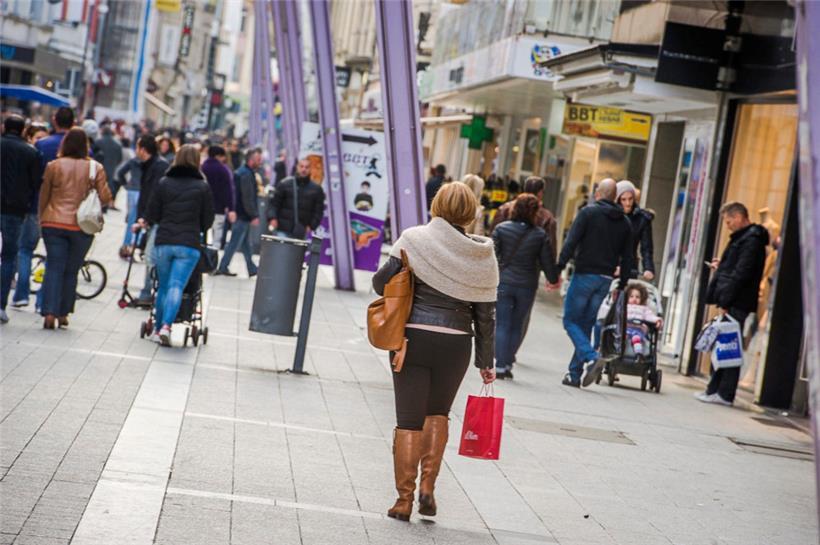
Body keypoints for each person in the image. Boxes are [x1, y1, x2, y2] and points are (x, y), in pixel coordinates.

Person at [372, 181, 497, 521]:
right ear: (470, 213)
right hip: (456, 344)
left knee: (408, 420)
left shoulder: (414, 239)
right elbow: (486, 316)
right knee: (437, 414)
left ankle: (404, 500)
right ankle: (428, 486)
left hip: (414, 340)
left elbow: (380, 283)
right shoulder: (483, 254)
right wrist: (487, 362)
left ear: (436, 205)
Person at [557, 178, 633, 388]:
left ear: (598, 194)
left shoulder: (588, 213)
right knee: (586, 324)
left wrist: (558, 268)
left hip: (584, 275)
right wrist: (623, 282)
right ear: (615, 197)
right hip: (605, 279)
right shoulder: (625, 222)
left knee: (570, 321)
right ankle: (574, 375)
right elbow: (628, 256)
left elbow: (571, 242)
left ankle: (591, 356)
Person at [38, 128, 112, 329]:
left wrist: (41, 217)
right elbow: (106, 197)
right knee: (71, 270)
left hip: (53, 222)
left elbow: (44, 194)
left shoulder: (53, 166)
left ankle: (49, 314)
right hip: (82, 225)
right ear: (85, 146)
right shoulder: (95, 168)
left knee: (53, 267)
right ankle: (63, 313)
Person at [696, 202, 768, 406]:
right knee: (725, 344)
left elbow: (742, 273)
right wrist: (723, 267)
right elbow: (736, 269)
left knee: (729, 346)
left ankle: (724, 393)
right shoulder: (746, 239)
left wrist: (726, 298)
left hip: (737, 300)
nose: (727, 225)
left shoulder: (751, 240)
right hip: (734, 298)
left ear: (738, 217)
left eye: (728, 221)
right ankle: (715, 389)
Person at [143, 145, 214, 346]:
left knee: (163, 287)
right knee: (177, 285)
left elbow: (152, 213)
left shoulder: (164, 183)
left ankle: (157, 330)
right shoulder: (202, 187)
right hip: (188, 244)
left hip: (164, 242)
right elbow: (207, 221)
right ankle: (167, 325)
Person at [12, 108, 75, 310]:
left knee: (25, 249)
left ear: (54, 120)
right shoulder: (84, 151)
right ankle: (42, 301)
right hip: (66, 210)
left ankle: (21, 294)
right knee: (54, 257)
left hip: (36, 204)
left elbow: (34, 177)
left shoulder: (42, 145)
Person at [492, 194, 558, 379]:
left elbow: (493, 258)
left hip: (504, 282)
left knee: (502, 323)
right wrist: (553, 278)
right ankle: (507, 363)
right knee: (516, 324)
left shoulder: (501, 229)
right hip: (526, 285)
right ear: (534, 212)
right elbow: (547, 261)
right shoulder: (539, 235)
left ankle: (499, 365)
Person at [1, 115, 42, 323]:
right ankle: (0, 305)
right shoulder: (31, 152)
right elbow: (37, 184)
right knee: (8, 256)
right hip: (15, 211)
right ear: (23, 130)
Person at [134, 135, 171, 305]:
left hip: (157, 220)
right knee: (150, 255)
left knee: (150, 256)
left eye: (137, 147)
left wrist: (146, 218)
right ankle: (148, 292)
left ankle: (148, 293)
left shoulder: (159, 166)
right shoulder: (151, 166)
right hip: (151, 219)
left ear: (142, 149)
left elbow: (155, 196)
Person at [215, 148, 262, 277]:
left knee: (245, 243)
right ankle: (223, 266)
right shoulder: (246, 174)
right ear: (251, 160)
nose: (260, 162)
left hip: (241, 213)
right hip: (242, 214)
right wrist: (253, 215)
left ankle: (251, 268)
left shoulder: (244, 172)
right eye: (258, 160)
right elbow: (247, 197)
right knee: (235, 241)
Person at [490, 176, 557, 260]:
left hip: (503, 264)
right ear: (540, 192)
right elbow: (550, 250)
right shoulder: (547, 217)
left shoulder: (504, 209)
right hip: (530, 266)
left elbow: (492, 237)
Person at [267, 157, 325, 240]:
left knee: (296, 253)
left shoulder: (316, 190)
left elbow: (318, 211)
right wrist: (272, 218)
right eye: (301, 166)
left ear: (310, 169)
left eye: (306, 167)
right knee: (283, 251)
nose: (304, 169)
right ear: (297, 167)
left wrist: (311, 226)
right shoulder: (285, 184)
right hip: (282, 228)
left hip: (301, 231)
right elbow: (274, 204)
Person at [599, 283, 662, 356]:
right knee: (621, 338)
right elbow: (616, 314)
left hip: (638, 330)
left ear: (642, 298)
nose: (634, 299)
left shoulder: (644, 309)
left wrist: (657, 320)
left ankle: (638, 353)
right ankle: (618, 351)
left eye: (637, 297)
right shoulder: (623, 307)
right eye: (631, 296)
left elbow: (650, 317)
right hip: (624, 329)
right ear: (626, 298)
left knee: (636, 338)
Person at [616, 180, 655, 280]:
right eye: (623, 200)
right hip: (608, 265)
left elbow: (646, 248)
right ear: (617, 200)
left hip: (629, 266)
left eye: (630, 199)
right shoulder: (610, 215)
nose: (628, 203)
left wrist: (648, 268)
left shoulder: (642, 219)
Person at [202, 145, 236, 250]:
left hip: (203, 206)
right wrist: (230, 208)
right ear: (218, 156)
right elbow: (228, 190)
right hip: (219, 207)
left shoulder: (202, 167)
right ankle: (214, 254)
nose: (224, 159)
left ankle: (203, 249)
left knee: (204, 230)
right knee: (217, 232)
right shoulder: (223, 169)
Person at [116, 153, 142, 256]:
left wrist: (126, 185)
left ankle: (127, 245)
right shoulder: (148, 162)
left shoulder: (134, 160)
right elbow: (120, 173)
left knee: (131, 218)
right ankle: (129, 246)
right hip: (139, 190)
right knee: (135, 219)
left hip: (132, 190)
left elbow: (120, 173)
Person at [96, 124, 123, 206]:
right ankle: (105, 205)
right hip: (111, 168)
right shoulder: (117, 144)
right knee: (107, 186)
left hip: (99, 167)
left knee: (97, 186)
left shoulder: (98, 142)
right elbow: (120, 158)